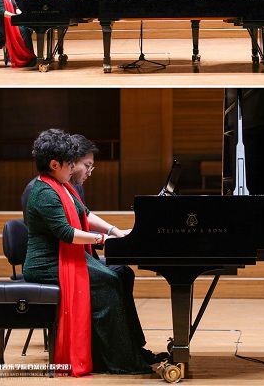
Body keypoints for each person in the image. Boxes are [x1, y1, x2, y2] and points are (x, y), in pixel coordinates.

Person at [22, 129, 160, 375]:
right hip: (46, 264)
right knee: (109, 280)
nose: (73, 167)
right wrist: (103, 239)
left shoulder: (62, 186)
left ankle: (133, 349)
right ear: (54, 165)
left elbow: (84, 214)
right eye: (70, 163)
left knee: (121, 274)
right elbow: (66, 232)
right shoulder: (43, 192)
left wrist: (116, 232)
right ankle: (118, 359)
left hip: (63, 258)